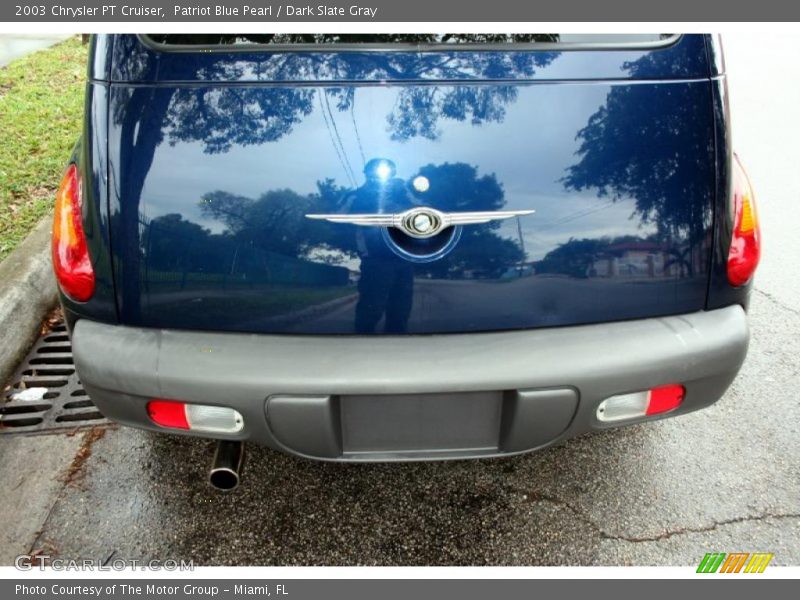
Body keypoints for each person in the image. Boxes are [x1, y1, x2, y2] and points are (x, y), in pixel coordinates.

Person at [341, 159, 415, 333]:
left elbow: (425, 210)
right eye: (375, 173)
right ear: (367, 174)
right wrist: (366, 207)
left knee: (401, 310)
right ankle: (363, 343)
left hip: (403, 257)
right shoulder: (356, 196)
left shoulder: (402, 193)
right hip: (375, 259)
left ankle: (397, 345)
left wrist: (405, 194)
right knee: (371, 307)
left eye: (388, 173)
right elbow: (337, 216)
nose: (380, 177)